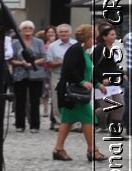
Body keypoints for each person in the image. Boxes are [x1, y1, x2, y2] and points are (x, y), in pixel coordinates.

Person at [54, 23, 105, 161]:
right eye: (93, 38)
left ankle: (58, 149)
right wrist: (82, 82)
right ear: (86, 37)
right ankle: (92, 150)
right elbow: (69, 70)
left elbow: (87, 72)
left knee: (67, 121)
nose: (94, 41)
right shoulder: (75, 50)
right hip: (75, 93)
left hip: (76, 93)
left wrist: (98, 84)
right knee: (89, 118)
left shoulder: (83, 51)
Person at [8, 21, 47, 133]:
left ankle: (35, 125)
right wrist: (21, 63)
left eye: (30, 27)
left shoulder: (39, 42)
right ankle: (19, 125)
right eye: (25, 28)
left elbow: (44, 57)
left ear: (33, 29)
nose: (27, 30)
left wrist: (32, 63)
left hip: (35, 73)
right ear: (21, 30)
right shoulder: (15, 43)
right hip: (20, 74)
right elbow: (10, 59)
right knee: (20, 101)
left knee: (35, 101)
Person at [93, 24, 123, 133]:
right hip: (102, 83)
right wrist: (101, 78)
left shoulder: (115, 48)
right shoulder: (99, 48)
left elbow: (113, 66)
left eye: (115, 34)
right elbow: (93, 66)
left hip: (114, 82)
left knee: (119, 105)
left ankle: (115, 131)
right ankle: (88, 118)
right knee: (109, 107)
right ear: (105, 37)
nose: (114, 36)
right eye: (111, 35)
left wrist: (122, 73)